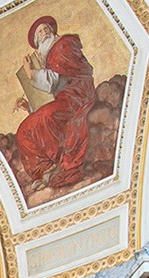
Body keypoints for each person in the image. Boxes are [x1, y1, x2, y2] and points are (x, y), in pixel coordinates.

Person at [12, 16, 97, 191]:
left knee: (44, 119)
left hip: (78, 98)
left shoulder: (63, 46)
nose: (44, 34)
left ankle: (63, 165)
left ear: (53, 31)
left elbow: (52, 82)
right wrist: (29, 107)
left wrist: (31, 73)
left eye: (45, 29)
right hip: (64, 100)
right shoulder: (50, 57)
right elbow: (50, 97)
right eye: (39, 34)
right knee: (24, 131)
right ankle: (47, 170)